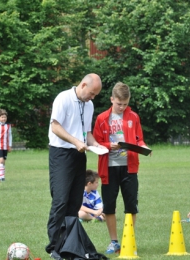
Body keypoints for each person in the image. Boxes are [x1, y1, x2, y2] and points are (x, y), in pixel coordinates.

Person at [46, 73, 104, 260]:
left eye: (95, 95)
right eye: (92, 93)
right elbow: (55, 126)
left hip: (79, 155)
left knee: (74, 202)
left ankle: (68, 246)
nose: (93, 97)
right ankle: (54, 247)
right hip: (61, 153)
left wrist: (95, 145)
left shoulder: (89, 105)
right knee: (61, 201)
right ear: (83, 84)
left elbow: (87, 132)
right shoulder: (63, 98)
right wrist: (75, 141)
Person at [93, 82, 150, 254]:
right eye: (119, 104)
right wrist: (110, 145)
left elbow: (139, 139)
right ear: (112, 99)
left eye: (125, 104)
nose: (122, 107)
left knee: (131, 205)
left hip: (130, 167)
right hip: (109, 168)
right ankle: (114, 242)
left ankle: (128, 240)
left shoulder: (133, 117)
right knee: (109, 206)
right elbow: (95, 143)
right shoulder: (102, 118)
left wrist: (144, 147)